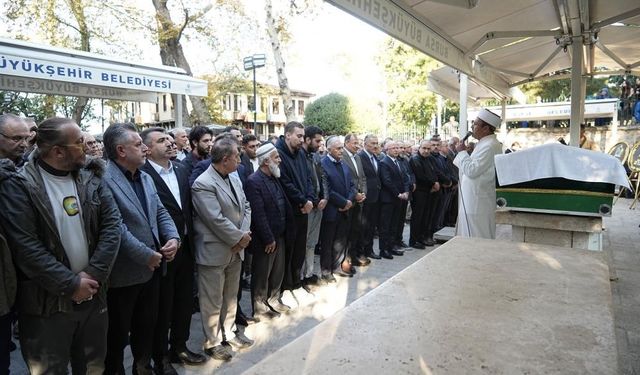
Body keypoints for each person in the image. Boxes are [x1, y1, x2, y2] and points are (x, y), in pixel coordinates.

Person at [0, 117, 121, 374]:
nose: (88, 147)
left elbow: (113, 228)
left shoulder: (93, 176)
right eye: (79, 143)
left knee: (92, 368)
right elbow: (25, 247)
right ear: (57, 151)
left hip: (93, 295)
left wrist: (91, 276)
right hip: (46, 305)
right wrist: (70, 284)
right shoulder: (18, 185)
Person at [102, 123, 180, 375]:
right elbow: (116, 228)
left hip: (152, 269)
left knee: (147, 327)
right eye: (138, 144)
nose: (145, 148)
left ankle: (142, 367)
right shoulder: (103, 179)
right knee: (116, 336)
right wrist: (146, 255)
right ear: (121, 150)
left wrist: (173, 238)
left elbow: (160, 212)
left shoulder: (145, 177)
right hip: (123, 274)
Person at [139, 128, 205, 374]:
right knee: (161, 308)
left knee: (184, 302)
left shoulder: (181, 169)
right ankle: (161, 357)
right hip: (161, 251)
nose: (169, 144)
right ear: (146, 148)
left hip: (186, 247)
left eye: (169, 139)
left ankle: (180, 346)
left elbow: (186, 208)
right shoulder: (142, 174)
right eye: (161, 141)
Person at [191, 136, 254, 362]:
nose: (240, 159)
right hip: (215, 251)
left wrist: (243, 236)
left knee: (230, 297)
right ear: (225, 158)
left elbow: (246, 205)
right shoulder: (202, 183)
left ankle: (228, 333)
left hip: (237, 247)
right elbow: (214, 219)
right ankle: (213, 342)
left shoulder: (234, 176)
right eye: (237, 155)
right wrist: (238, 237)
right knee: (212, 300)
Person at [245, 143, 293, 319]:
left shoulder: (274, 177)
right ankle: (259, 308)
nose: (279, 161)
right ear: (266, 161)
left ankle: (274, 300)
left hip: (279, 234)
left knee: (277, 271)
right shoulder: (253, 181)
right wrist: (268, 238)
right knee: (262, 274)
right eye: (276, 158)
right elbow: (258, 214)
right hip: (265, 238)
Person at [275, 122, 316, 291]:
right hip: (289, 211)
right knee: (288, 251)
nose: (302, 140)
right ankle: (285, 285)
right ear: (287, 135)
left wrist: (310, 200)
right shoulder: (278, 154)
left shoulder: (300, 154)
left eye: (302, 136)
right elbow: (285, 182)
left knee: (299, 249)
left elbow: (308, 179)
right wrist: (303, 201)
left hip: (304, 209)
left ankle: (296, 282)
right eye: (298, 136)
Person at [454, 108, 503, 239]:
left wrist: (462, 152)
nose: (472, 127)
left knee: (476, 235)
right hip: (473, 197)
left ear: (486, 128)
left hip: (477, 201)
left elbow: (472, 171)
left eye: (475, 124)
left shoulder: (490, 145)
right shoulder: (484, 143)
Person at [319, 136, 356, 281]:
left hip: (345, 209)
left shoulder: (343, 164)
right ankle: (326, 271)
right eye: (338, 148)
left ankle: (337, 266)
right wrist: (343, 202)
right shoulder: (323, 164)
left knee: (341, 241)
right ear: (329, 149)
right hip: (332, 210)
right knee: (328, 242)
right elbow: (327, 189)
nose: (341, 151)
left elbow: (352, 185)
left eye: (342, 148)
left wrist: (349, 200)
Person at [301, 126, 327, 289]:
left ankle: (309, 274)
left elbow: (322, 178)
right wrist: (313, 200)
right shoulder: (300, 157)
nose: (319, 144)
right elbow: (304, 183)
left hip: (319, 204)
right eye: (317, 141)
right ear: (307, 139)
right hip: (308, 206)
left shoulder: (315, 156)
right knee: (304, 243)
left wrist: (325, 197)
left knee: (312, 242)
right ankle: (302, 276)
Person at [378, 141, 409, 259]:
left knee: (394, 224)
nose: (396, 150)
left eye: (397, 147)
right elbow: (387, 181)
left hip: (399, 198)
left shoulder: (399, 162)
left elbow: (405, 178)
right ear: (387, 150)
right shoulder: (384, 163)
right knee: (386, 225)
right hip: (389, 199)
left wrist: (406, 191)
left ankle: (392, 246)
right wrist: (398, 193)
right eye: (393, 148)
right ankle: (384, 249)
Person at [342, 134, 369, 268]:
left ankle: (354, 257)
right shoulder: (342, 156)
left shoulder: (357, 157)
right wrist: (355, 195)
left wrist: (363, 193)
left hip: (359, 200)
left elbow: (362, 177)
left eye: (358, 143)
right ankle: (346, 260)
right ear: (346, 143)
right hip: (349, 200)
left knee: (355, 231)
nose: (357, 145)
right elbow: (347, 179)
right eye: (354, 143)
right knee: (346, 232)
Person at [409, 140, 440, 249]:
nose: (426, 151)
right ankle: (414, 240)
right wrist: (433, 183)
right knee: (417, 217)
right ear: (419, 148)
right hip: (419, 192)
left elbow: (435, 172)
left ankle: (421, 237)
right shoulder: (415, 159)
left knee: (425, 216)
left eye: (428, 149)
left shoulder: (430, 158)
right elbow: (420, 176)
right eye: (424, 148)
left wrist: (435, 182)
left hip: (429, 191)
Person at [356, 135, 382, 260]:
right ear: (365, 144)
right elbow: (360, 177)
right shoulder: (361, 157)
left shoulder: (375, 157)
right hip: (366, 197)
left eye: (377, 143)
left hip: (376, 197)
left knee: (371, 225)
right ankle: (361, 251)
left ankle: (369, 249)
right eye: (372, 143)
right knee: (363, 226)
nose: (375, 145)